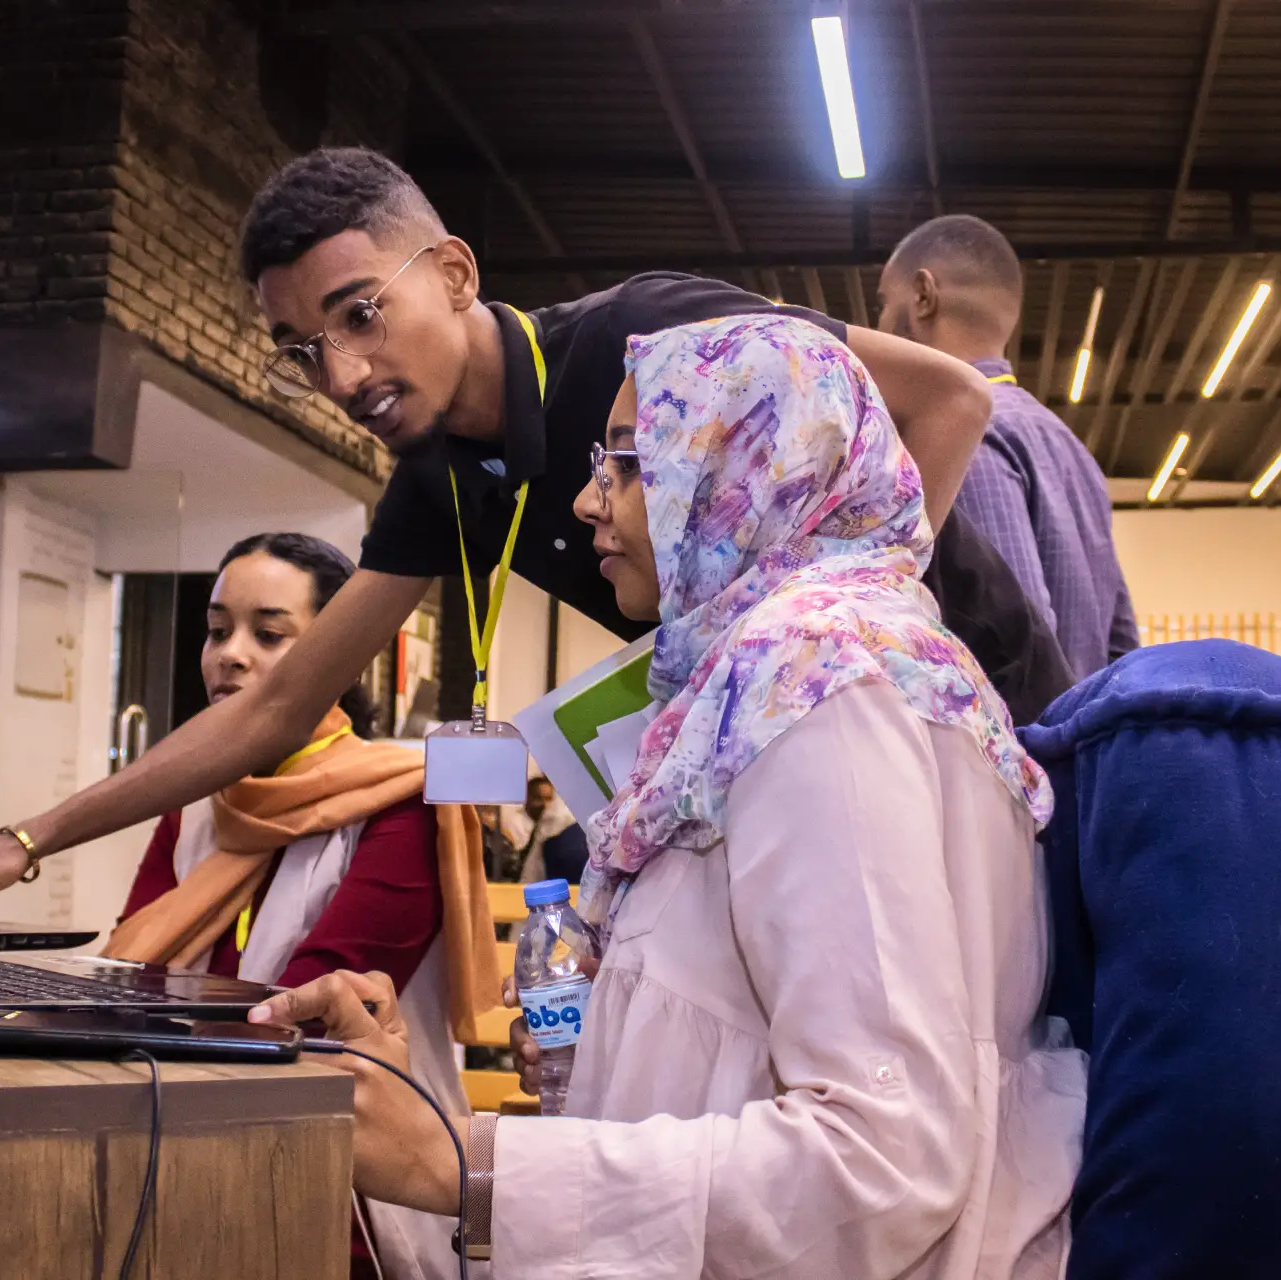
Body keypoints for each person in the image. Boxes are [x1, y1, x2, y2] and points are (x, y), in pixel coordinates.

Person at [0, 146, 1061, 928]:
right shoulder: (438, 481)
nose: (342, 375)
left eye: (360, 315)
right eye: (302, 351)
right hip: (804, 751)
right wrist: (28, 838)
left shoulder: (646, 332)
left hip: (978, 704)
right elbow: (275, 706)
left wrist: (845, 616)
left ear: (450, 273)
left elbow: (949, 399)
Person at [256, 314, 1087, 1278]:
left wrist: (464, 1164)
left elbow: (882, 1163)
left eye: (627, 461)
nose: (585, 501)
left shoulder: (819, 678)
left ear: (751, 462)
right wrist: (572, 1060)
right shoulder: (780, 673)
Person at [102, 531, 501, 1280]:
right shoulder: (195, 804)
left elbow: (305, 1018)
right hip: (182, 1148)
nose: (229, 655)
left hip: (349, 1188)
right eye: (217, 630)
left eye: (269, 634)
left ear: (339, 654)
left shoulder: (402, 801)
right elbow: (130, 980)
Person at [876, 213, 1138, 677]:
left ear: (922, 295)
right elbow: (1121, 643)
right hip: (1077, 718)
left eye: (882, 303)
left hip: (1019, 724)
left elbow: (1011, 648)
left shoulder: (960, 434)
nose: (876, 323)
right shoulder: (1071, 447)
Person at [502, 776, 584, 883]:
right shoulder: (551, 828)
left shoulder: (560, 822)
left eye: (548, 799)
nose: (545, 804)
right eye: (538, 799)